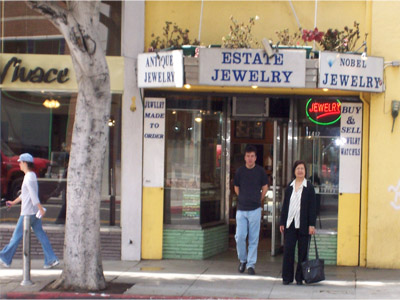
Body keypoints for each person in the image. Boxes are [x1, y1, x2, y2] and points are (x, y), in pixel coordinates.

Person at [0, 153, 59, 269]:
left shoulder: (29, 177)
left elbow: (32, 195)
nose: (19, 164)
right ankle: (51, 259)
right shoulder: (30, 176)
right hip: (32, 212)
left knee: (16, 237)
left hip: (28, 213)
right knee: (41, 235)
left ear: (25, 163)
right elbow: (24, 194)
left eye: (20, 162)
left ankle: (5, 258)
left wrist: (41, 208)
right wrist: (13, 202)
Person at [279, 160, 316, 285]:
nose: (300, 171)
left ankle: (300, 277)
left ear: (305, 171)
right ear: (294, 171)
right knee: (288, 251)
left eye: (302, 168)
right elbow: (285, 206)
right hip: (290, 224)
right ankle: (287, 277)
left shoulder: (309, 187)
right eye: (298, 168)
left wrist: (312, 225)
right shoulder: (289, 186)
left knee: (302, 252)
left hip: (304, 225)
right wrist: (282, 222)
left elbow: (312, 208)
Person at [234, 145, 269, 275]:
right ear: (245, 157)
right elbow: (236, 188)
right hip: (241, 209)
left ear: (255, 157)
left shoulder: (260, 171)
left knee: (254, 238)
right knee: (240, 237)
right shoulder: (240, 171)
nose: (250, 158)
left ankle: (251, 265)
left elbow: (265, 187)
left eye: (252, 156)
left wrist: (258, 199)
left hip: (255, 209)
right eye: (248, 156)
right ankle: (243, 260)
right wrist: (243, 198)